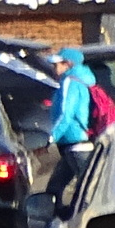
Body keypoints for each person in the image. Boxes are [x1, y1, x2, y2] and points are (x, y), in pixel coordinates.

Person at [49, 47, 97, 197]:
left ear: (68, 64)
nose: (53, 68)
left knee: (88, 190)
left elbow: (66, 113)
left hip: (75, 142)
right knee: (54, 188)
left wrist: (51, 137)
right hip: (73, 142)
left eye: (56, 64)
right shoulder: (80, 80)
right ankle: (55, 216)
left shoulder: (70, 81)